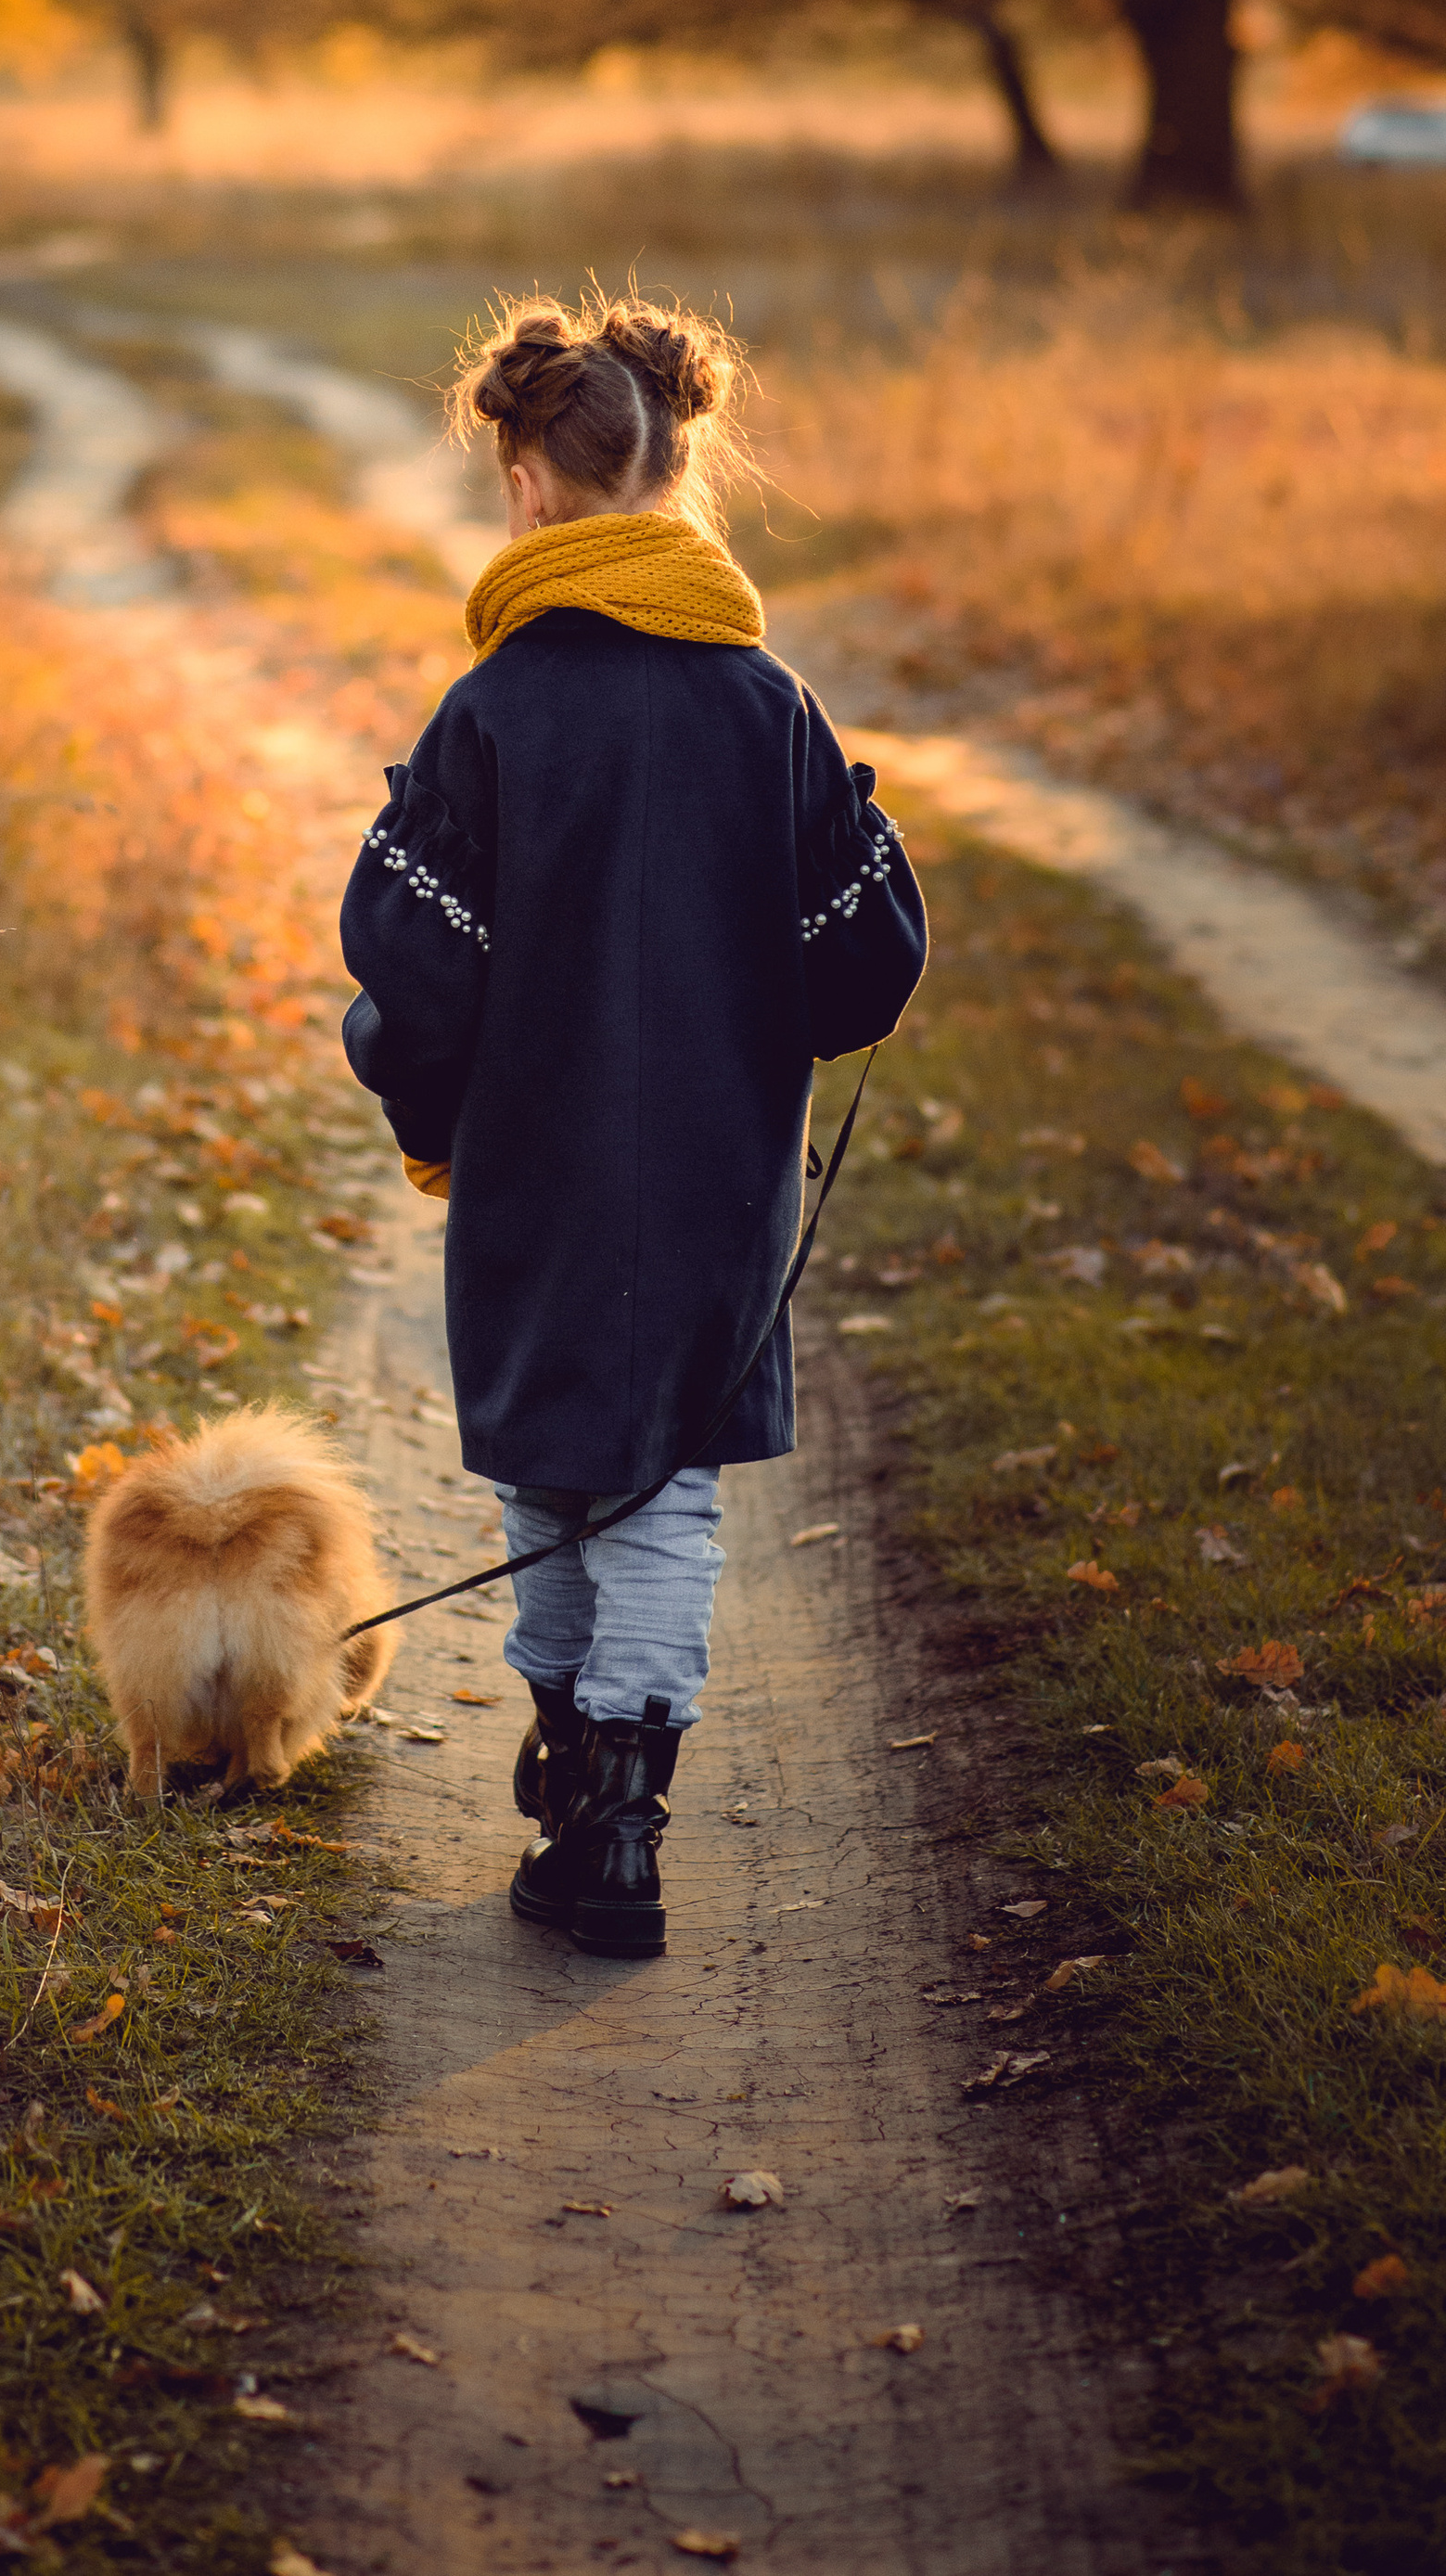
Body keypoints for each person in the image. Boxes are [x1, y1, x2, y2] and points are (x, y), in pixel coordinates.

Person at [338, 290, 927, 1957]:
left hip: (538, 1171)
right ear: (678, 469)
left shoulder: (495, 714)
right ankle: (619, 1812)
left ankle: (573, 1755)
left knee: (550, 1463)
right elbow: (870, 963)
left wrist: (404, 1070)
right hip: (720, 1180)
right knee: (664, 1489)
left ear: (526, 482)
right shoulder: (773, 709)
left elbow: (412, 974)